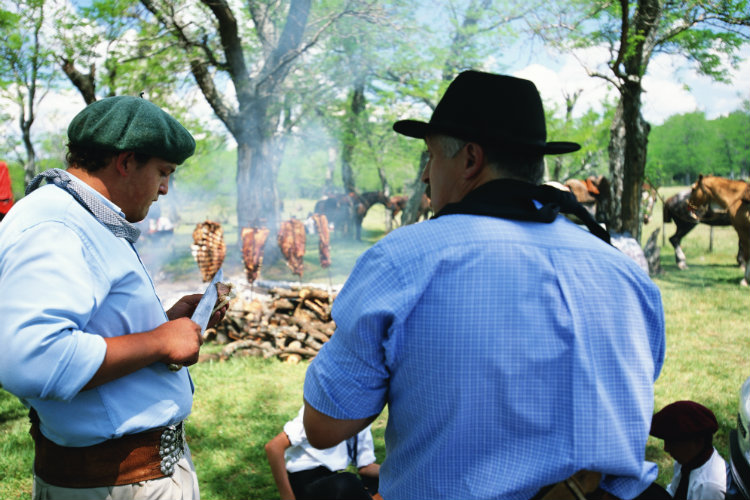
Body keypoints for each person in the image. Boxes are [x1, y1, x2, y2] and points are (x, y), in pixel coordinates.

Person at [301, 70, 667, 500]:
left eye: (431, 158)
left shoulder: (401, 260)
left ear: (470, 160)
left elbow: (325, 426)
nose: (424, 177)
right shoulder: (624, 271)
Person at [0, 96, 225, 499]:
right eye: (162, 172)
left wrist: (168, 323)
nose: (164, 189)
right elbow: (30, 359)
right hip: (116, 484)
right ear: (126, 161)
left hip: (130, 478)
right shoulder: (58, 224)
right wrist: (159, 342)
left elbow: (93, 327)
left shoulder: (78, 215)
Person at [265, 405, 380, 500]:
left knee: (384, 482)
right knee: (347, 483)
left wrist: (396, 473)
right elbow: (273, 447)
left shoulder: (362, 420)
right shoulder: (320, 411)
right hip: (306, 484)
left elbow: (366, 467)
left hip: (332, 480)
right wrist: (288, 497)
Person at [651, 400, 727, 500]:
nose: (666, 448)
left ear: (698, 441)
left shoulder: (708, 487)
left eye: (673, 442)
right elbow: (673, 491)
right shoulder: (688, 460)